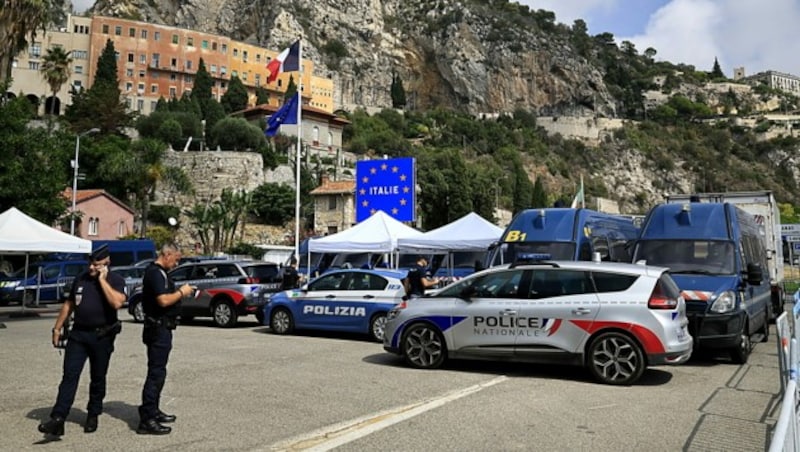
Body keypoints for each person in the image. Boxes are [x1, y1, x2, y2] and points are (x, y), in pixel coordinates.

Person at [38, 244, 126, 436]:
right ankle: (58, 418)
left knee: (97, 378)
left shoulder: (116, 280)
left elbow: (117, 302)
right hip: (78, 335)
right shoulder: (81, 279)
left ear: (107, 263)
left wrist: (103, 281)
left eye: (97, 265)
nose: (92, 268)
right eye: (91, 264)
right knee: (70, 375)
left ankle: (93, 413)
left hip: (102, 336)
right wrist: (57, 328)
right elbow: (69, 304)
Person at [137, 243, 193, 435]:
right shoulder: (155, 273)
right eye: (176, 258)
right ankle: (147, 419)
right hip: (157, 328)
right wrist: (181, 293)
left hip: (163, 327)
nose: (176, 262)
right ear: (167, 254)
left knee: (159, 372)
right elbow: (162, 300)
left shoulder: (161, 273)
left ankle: (153, 409)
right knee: (156, 373)